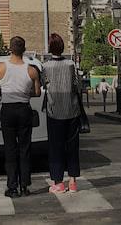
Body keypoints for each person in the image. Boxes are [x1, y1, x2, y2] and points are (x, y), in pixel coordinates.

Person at [0, 35, 42, 198]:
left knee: (10, 148)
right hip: (24, 109)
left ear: (10, 49)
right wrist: (24, 93)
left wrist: (5, 92)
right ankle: (24, 185)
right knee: (25, 148)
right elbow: (37, 92)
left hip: (8, 109)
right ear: (24, 50)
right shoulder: (31, 70)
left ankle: (12, 187)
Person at [42, 33, 83, 193]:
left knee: (55, 147)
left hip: (54, 111)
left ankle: (58, 182)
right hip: (72, 110)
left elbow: (44, 85)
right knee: (72, 146)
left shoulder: (45, 66)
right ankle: (72, 181)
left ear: (50, 47)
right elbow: (77, 85)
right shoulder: (70, 64)